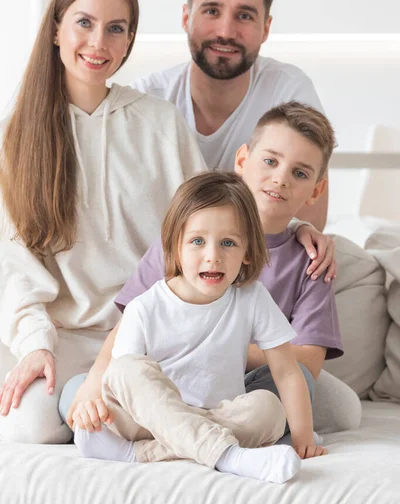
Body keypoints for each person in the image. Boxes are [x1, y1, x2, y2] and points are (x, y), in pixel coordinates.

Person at [0, 0, 207, 445]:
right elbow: (12, 264)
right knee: (30, 428)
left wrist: (294, 225)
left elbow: (209, 217)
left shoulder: (158, 122)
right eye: (84, 23)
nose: (99, 43)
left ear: (129, 40)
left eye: (116, 29)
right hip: (62, 335)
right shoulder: (16, 137)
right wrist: (34, 345)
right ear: (56, 29)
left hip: (148, 333)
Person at [64, 103, 359, 439]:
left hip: (237, 389)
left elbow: (305, 363)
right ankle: (201, 435)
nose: (280, 178)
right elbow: (129, 325)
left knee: (305, 386)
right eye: (270, 161)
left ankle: (176, 433)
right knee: (79, 393)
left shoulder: (312, 259)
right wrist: (94, 381)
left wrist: (217, 343)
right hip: (163, 376)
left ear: (316, 190)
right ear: (242, 160)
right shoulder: (184, 235)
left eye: (300, 173)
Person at [74, 171, 327, 484]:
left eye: (228, 243)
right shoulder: (145, 306)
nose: (213, 256)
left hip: (220, 416)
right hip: (147, 420)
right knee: (127, 369)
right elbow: (126, 384)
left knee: (268, 409)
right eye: (197, 241)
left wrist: (303, 438)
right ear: (175, 247)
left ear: (248, 252)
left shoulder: (252, 298)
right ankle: (229, 457)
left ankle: (138, 454)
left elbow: (287, 371)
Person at [132, 0, 329, 231]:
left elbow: (308, 227)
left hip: (263, 262)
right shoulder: (147, 99)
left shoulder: (289, 90)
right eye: (212, 11)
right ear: (186, 17)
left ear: (266, 28)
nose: (225, 30)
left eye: (244, 16)